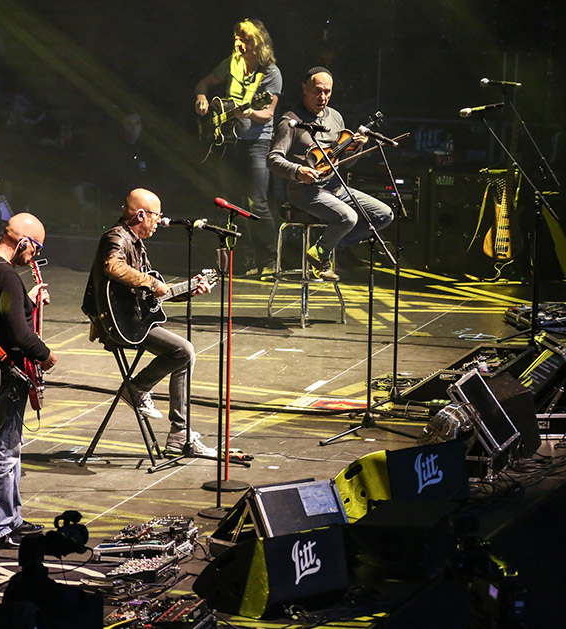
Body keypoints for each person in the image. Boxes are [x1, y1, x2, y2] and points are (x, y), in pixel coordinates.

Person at [82, 188, 215, 457]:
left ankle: (179, 433)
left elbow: (155, 297)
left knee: (184, 355)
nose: (159, 221)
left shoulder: (137, 244)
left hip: (135, 320)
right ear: (140, 214)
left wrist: (189, 290)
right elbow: (113, 267)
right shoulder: (117, 237)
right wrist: (153, 283)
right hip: (118, 326)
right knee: (184, 351)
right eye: (156, 216)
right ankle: (136, 387)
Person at [0, 212, 57, 550]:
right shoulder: (7, 278)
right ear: (23, 243)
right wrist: (46, 355)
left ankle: (10, 518)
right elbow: (19, 333)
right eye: (35, 250)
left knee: (9, 446)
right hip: (5, 368)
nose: (33, 258)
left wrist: (27, 301)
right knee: (4, 448)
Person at [267, 66, 394, 280]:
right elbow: (273, 159)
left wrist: (359, 148)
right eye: (317, 91)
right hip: (305, 191)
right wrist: (298, 171)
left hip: (336, 188)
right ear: (304, 88)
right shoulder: (291, 121)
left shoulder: (335, 117)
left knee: (384, 214)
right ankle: (323, 251)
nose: (322, 96)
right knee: (348, 217)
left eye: (327, 92)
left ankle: (325, 248)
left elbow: (346, 164)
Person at [194, 18, 282, 277]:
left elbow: (267, 114)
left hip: (257, 142)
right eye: (236, 38)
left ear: (257, 41)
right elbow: (204, 84)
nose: (238, 43)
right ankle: (246, 259)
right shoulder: (231, 63)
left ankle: (270, 259)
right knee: (234, 204)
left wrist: (248, 112)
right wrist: (201, 97)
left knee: (258, 202)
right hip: (229, 141)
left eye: (243, 38)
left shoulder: (271, 72)